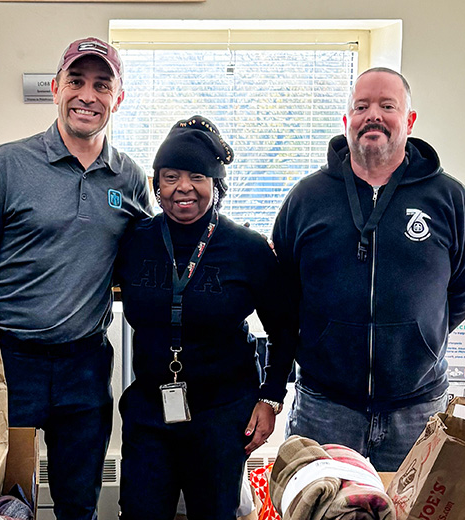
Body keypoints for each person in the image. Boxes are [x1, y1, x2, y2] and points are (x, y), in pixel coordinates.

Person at [0, 37, 150, 520]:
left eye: (102, 85)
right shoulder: (6, 164)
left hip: (84, 364)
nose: (89, 95)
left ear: (118, 98)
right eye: (77, 82)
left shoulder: (129, 178)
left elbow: (147, 256)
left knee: (78, 503)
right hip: (8, 359)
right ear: (56, 88)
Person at [271, 67, 465, 471]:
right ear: (347, 121)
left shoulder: (450, 199)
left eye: (387, 106)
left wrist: (420, 334)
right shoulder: (307, 199)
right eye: (362, 106)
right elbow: (282, 294)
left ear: (409, 120)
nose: (373, 115)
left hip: (417, 409)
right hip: (325, 407)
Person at [113, 116, 295, 520]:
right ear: (156, 183)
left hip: (221, 411)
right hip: (149, 407)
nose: (183, 187)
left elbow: (284, 328)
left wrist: (271, 397)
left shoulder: (247, 249)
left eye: (197, 176)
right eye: (170, 175)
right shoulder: (134, 240)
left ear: (216, 184)